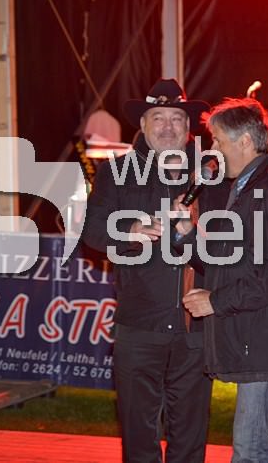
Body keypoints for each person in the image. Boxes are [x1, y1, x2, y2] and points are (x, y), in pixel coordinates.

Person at [82, 78, 216, 462]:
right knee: (138, 434)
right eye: (158, 117)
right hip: (139, 325)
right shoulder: (116, 172)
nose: (168, 126)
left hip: (194, 328)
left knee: (190, 434)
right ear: (142, 124)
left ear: (188, 127)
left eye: (176, 118)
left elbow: (231, 242)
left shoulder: (211, 174)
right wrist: (130, 229)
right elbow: (91, 230)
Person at [177, 97, 268, 462]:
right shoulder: (245, 189)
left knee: (251, 449)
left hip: (265, 339)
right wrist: (186, 232)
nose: (213, 150)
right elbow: (224, 260)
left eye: (218, 141)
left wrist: (215, 301)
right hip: (259, 338)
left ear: (243, 141)